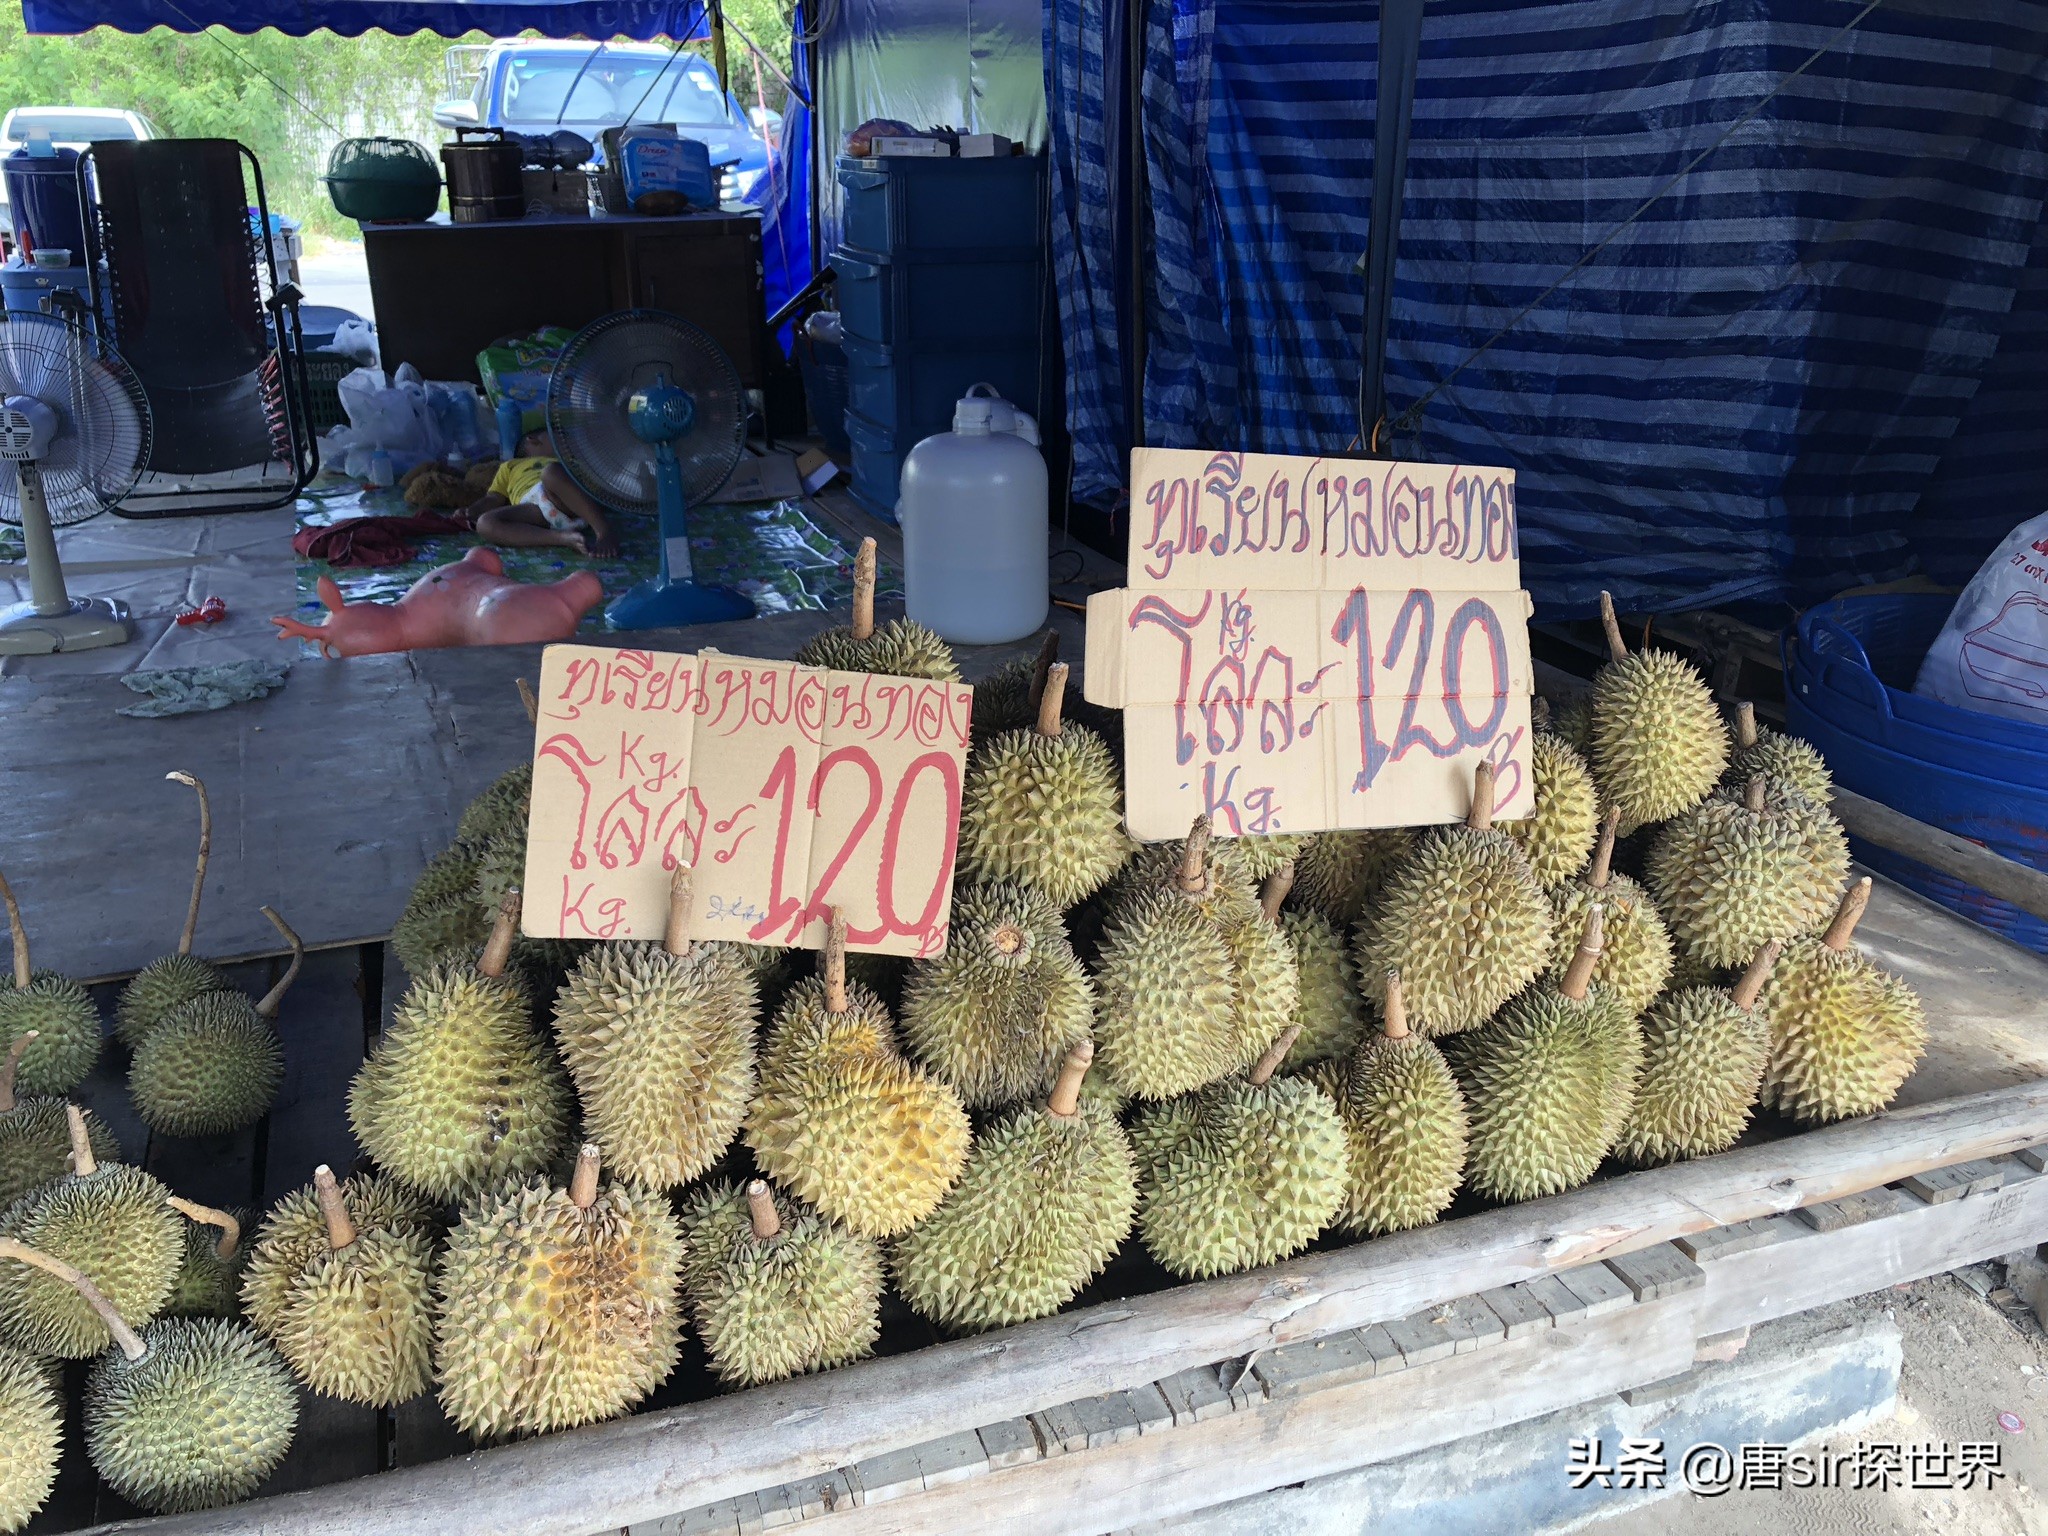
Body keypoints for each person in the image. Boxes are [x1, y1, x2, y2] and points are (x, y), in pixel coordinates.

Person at [467, 432, 618, 558]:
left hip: (567, 500)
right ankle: (563, 539)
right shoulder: (510, 465)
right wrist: (473, 510)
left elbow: (596, 489)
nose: (565, 442)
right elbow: (494, 498)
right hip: (532, 509)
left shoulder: (570, 462)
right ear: (533, 440)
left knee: (551, 472)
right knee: (485, 523)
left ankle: (603, 531)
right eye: (557, 435)